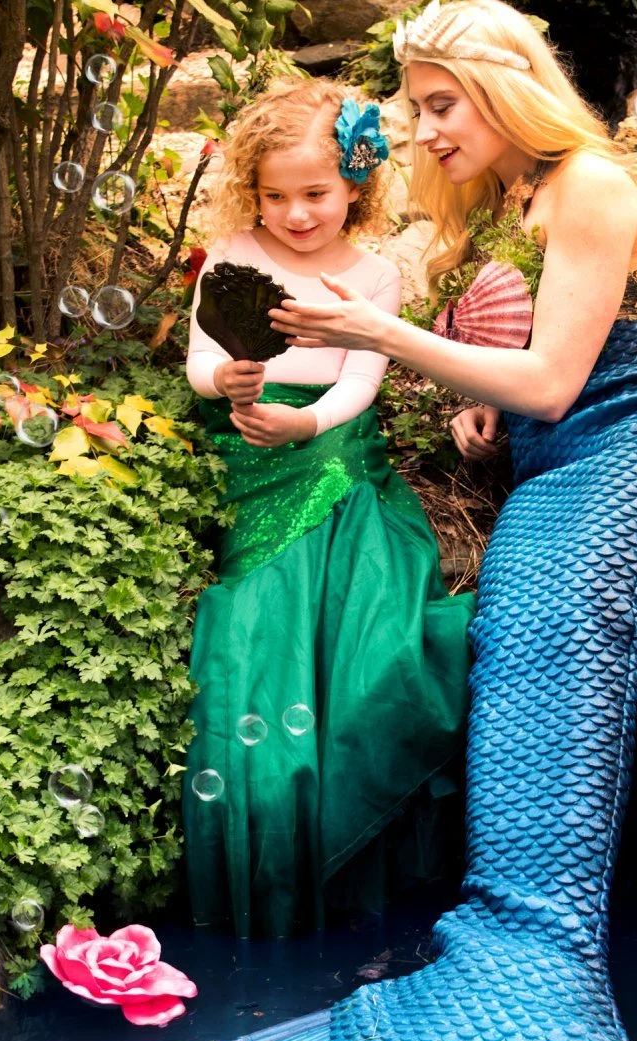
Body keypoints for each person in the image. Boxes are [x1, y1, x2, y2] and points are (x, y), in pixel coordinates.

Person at [47, 4, 637, 1041]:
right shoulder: (500, 202)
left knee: (549, 631)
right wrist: (475, 395)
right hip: (553, 454)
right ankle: (496, 967)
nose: (421, 128)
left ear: (506, 83)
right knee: (506, 629)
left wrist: (400, 349)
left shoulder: (592, 180)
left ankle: (524, 973)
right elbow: (520, 370)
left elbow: (563, 376)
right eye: (414, 106)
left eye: (440, 102)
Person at [183, 77, 473, 941]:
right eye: (275, 196)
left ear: (356, 183)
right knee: (254, 639)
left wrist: (303, 420)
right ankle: (261, 844)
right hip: (245, 456)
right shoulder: (234, 257)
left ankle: (348, 838)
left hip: (333, 463)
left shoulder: (371, 276)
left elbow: (358, 385)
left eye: (314, 194)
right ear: (251, 193)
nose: (297, 214)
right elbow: (202, 361)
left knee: (364, 644)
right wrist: (226, 381)